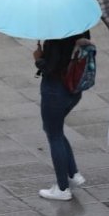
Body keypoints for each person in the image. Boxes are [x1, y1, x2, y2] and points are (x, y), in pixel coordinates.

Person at [33, 31, 90, 201]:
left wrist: (38, 58)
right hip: (74, 88)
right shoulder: (82, 28)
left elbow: (50, 67)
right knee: (54, 129)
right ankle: (72, 173)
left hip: (55, 90)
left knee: (54, 134)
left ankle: (62, 188)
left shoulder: (58, 35)